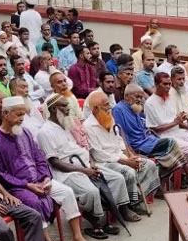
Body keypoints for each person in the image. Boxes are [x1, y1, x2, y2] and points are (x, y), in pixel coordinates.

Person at [0, 96, 101, 241]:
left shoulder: (24, 132)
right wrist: (28, 185)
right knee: (34, 202)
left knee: (67, 192)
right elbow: (0, 174)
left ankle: (77, 238)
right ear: (5, 114)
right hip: (17, 187)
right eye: (18, 115)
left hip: (39, 180)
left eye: (23, 115)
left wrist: (45, 178)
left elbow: (39, 158)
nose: (21, 119)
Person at [39, 94, 137, 233]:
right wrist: (84, 171)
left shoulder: (66, 125)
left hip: (84, 164)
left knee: (117, 178)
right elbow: (55, 162)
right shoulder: (45, 132)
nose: (69, 109)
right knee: (91, 191)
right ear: (54, 109)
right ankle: (95, 221)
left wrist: (90, 164)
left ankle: (113, 213)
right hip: (67, 172)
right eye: (65, 106)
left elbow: (82, 148)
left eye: (68, 106)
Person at [83, 90, 159, 210]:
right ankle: (129, 205)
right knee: (128, 171)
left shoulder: (109, 118)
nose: (110, 107)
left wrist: (129, 156)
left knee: (149, 164)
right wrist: (126, 162)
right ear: (96, 109)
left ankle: (137, 197)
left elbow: (119, 140)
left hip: (120, 156)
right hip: (105, 162)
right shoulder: (88, 126)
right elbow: (99, 154)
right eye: (106, 105)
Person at [112, 83, 188, 183]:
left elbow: (144, 127)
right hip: (138, 146)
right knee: (170, 143)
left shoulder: (136, 108)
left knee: (170, 147)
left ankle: (175, 177)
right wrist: (131, 154)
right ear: (126, 96)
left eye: (141, 97)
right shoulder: (118, 109)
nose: (140, 99)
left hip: (148, 140)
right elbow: (121, 135)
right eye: (137, 96)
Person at [146, 72, 188, 174]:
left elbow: (178, 122)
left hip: (178, 131)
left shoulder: (170, 98)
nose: (168, 87)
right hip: (163, 137)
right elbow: (154, 129)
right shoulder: (150, 103)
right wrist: (175, 122)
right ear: (156, 84)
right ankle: (187, 176)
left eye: (169, 84)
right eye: (165, 84)